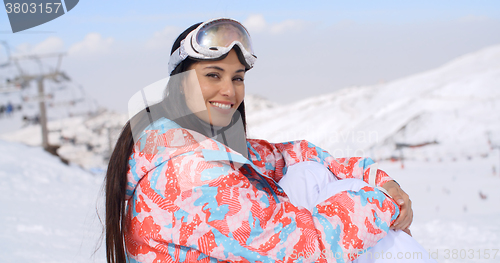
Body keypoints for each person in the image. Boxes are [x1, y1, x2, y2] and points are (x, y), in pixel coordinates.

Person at [105, 18, 423, 263]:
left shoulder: (196, 143)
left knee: (307, 172)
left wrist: (377, 179)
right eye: (213, 75)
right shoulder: (187, 175)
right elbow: (309, 246)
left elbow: (292, 155)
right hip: (301, 250)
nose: (229, 91)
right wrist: (383, 201)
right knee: (369, 229)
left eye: (237, 78)